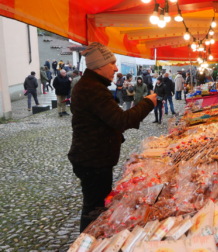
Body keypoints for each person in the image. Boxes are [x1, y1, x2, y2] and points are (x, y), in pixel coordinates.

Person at [68, 42, 157, 233]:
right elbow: (121, 120)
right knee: (94, 209)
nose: (116, 68)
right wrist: (147, 103)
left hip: (93, 157)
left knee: (96, 205)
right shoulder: (93, 89)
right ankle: (88, 242)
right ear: (99, 66)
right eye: (112, 63)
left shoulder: (92, 85)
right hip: (93, 160)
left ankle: (92, 238)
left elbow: (107, 121)